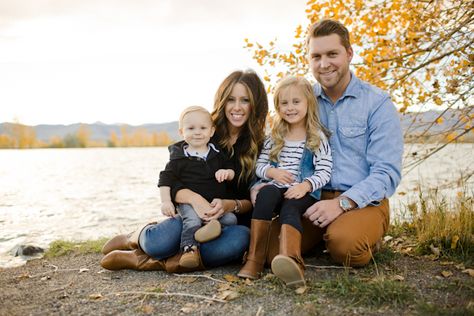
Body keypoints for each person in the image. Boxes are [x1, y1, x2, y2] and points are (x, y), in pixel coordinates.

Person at [265, 19, 403, 268]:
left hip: (362, 202)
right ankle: (318, 237)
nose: (324, 64)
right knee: (268, 251)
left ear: (349, 54)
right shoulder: (301, 102)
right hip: (311, 197)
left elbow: (387, 173)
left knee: (345, 247)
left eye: (332, 54)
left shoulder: (377, 103)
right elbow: (276, 149)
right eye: (316, 56)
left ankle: (353, 233)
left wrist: (342, 203)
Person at [100, 69, 268, 272]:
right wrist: (195, 200)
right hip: (191, 215)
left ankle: (148, 261)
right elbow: (172, 180)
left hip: (225, 224)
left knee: (241, 238)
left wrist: (229, 205)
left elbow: (255, 198)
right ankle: (136, 237)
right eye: (231, 99)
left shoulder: (261, 146)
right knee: (160, 242)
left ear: (255, 104)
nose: (237, 107)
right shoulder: (202, 131)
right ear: (222, 101)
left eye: (245, 100)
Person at [237, 76, 332, 287]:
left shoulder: (316, 137)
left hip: (302, 193)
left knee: (291, 208)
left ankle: (291, 260)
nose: (290, 108)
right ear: (278, 107)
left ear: (309, 103)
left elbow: (325, 171)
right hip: (277, 188)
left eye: (296, 102)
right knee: (266, 193)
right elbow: (259, 166)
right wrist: (272, 172)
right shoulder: (274, 137)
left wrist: (305, 185)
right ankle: (254, 258)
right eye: (284, 103)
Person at [158, 105, 237, 269]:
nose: (197, 132)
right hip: (189, 205)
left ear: (212, 131)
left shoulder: (217, 153)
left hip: (212, 205)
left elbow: (232, 171)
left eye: (203, 128)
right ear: (181, 132)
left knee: (231, 219)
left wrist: (227, 172)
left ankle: (206, 232)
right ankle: (189, 250)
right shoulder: (179, 158)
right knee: (192, 219)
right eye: (191, 128)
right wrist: (166, 201)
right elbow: (165, 179)